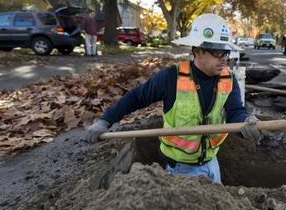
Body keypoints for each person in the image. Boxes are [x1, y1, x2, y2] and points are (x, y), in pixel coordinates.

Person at [85, 13, 260, 184]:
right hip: (180, 171)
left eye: (226, 52)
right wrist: (105, 120)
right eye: (217, 52)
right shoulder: (171, 78)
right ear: (197, 50)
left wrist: (245, 123)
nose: (223, 59)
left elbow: (235, 112)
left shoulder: (228, 80)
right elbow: (136, 97)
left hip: (212, 164)